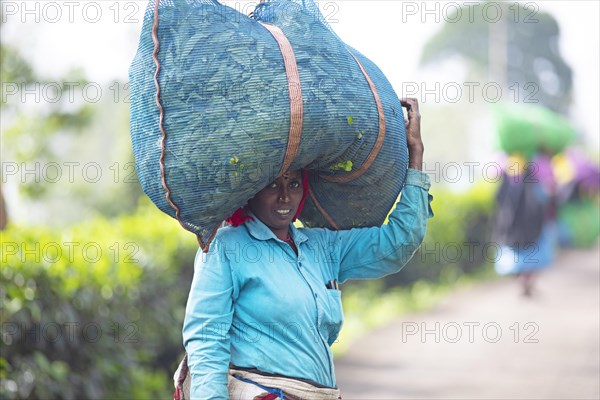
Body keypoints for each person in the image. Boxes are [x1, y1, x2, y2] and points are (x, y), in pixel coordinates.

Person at [180, 98, 432, 399]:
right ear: (251, 192)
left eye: (294, 184)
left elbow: (398, 243)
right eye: (273, 185)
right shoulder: (225, 248)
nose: (285, 196)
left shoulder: (321, 247)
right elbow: (206, 340)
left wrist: (414, 155)